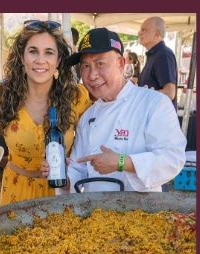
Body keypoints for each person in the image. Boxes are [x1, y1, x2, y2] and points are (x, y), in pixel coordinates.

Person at [57, 27, 186, 192]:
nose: (92, 75)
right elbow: (78, 169)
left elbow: (172, 158)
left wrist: (123, 162)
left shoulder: (153, 103)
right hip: (95, 213)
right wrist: (61, 176)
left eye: (100, 63)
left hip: (140, 213)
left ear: (121, 63)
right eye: (85, 66)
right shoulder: (88, 116)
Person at [0, 20, 91, 205]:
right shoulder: (1, 96)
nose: (40, 60)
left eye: (49, 52)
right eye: (33, 51)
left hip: (60, 194)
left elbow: (97, 136)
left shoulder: (77, 97)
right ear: (22, 57)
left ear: (59, 60)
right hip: (15, 193)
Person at [137, 17, 177, 104]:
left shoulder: (164, 54)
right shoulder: (155, 54)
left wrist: (139, 95)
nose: (139, 33)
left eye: (144, 30)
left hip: (159, 116)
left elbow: (170, 93)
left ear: (157, 33)